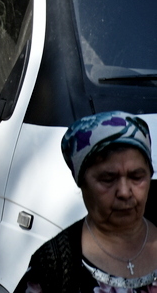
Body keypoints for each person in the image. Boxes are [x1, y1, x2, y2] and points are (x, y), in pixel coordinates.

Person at [17, 113, 157, 293]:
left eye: (137, 177)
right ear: (82, 182)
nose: (124, 192)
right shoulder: (53, 265)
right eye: (107, 179)